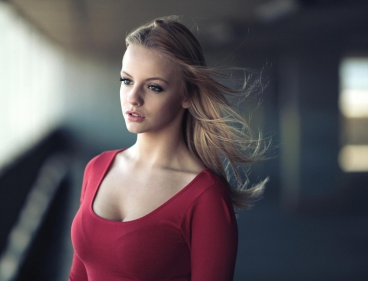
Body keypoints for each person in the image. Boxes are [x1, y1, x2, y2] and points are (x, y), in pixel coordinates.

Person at [69, 16, 268, 281]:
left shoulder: (204, 197)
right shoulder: (97, 168)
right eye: (127, 81)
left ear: (187, 95)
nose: (133, 98)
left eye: (153, 87)